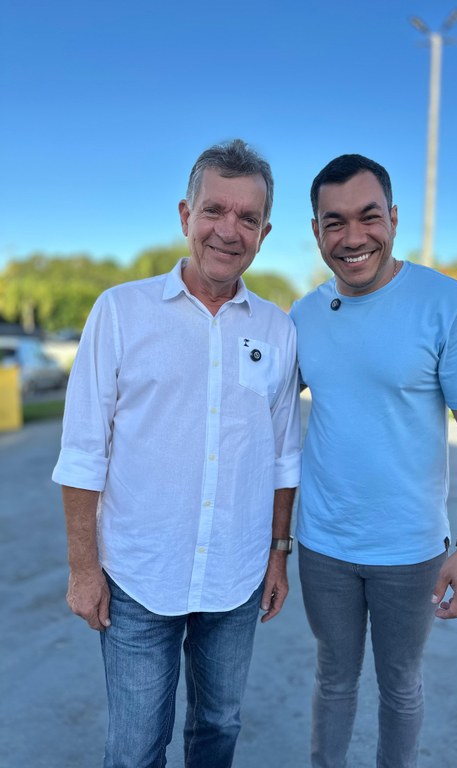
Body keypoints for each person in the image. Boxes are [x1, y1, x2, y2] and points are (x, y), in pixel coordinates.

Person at [52, 138, 301, 768]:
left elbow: (282, 454)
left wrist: (277, 555)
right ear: (186, 215)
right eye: (214, 210)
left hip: (237, 576)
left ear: (265, 232)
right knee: (135, 747)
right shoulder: (120, 312)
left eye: (247, 218)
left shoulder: (276, 329)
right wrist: (84, 570)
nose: (229, 230)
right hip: (137, 576)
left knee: (218, 728)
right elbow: (83, 451)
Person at [290, 153, 457, 768]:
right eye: (334, 222)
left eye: (369, 216)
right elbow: (262, 418)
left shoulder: (448, 304)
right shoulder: (303, 317)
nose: (353, 237)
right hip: (324, 546)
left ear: (394, 218)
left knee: (401, 685)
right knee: (333, 680)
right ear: (316, 231)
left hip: (411, 550)